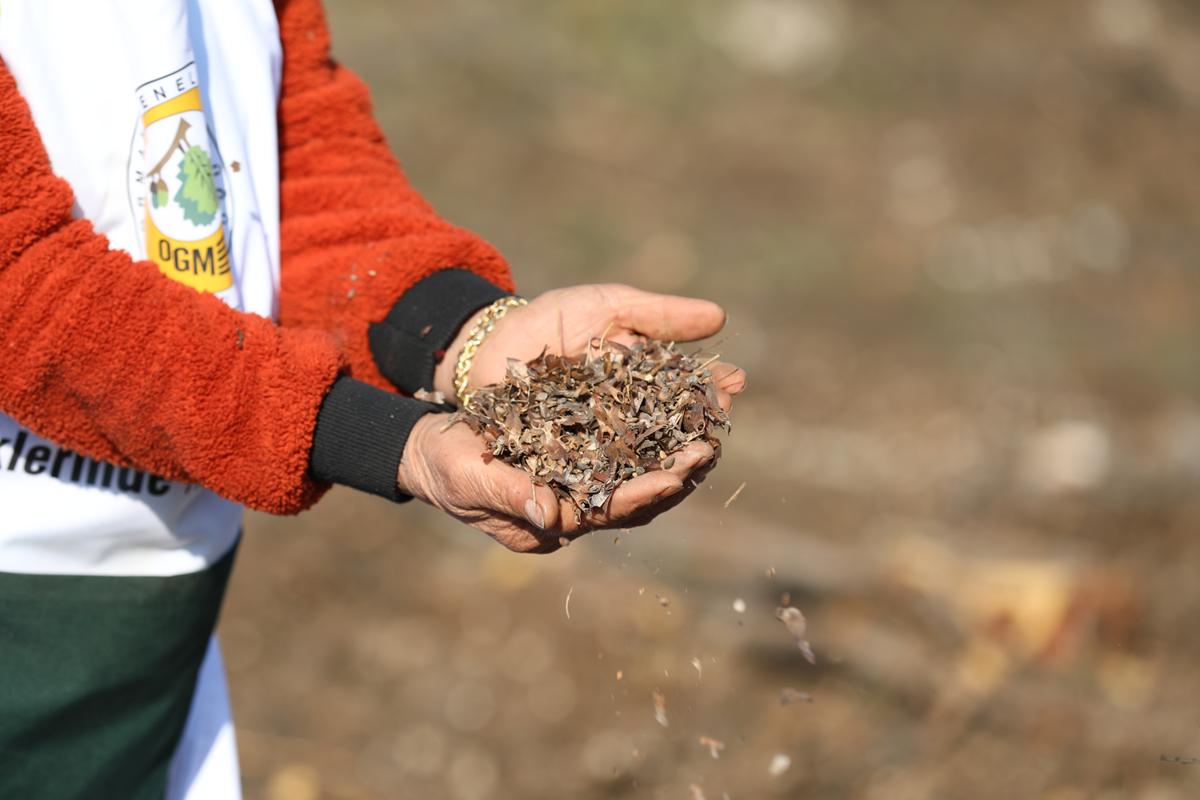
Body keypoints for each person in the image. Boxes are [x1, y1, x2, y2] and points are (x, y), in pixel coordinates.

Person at [0, 1, 746, 797]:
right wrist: (383, 438)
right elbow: (24, 282)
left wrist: (461, 332)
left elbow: (295, 158)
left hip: (162, 592)